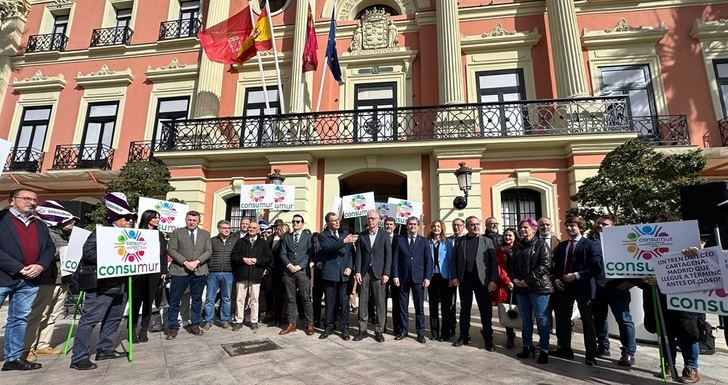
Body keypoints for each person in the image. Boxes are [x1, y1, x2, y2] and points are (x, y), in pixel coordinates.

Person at [70, 193, 134, 370]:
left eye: (132, 218)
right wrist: (115, 256)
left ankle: (105, 349)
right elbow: (89, 254)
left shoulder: (132, 236)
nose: (130, 221)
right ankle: (79, 357)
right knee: (90, 320)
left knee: (114, 318)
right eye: (126, 218)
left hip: (122, 284)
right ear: (116, 218)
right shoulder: (101, 232)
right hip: (102, 285)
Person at [641, 212, 701, 383]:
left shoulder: (689, 245)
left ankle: (691, 368)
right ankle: (668, 364)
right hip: (657, 296)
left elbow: (702, 268)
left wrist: (695, 253)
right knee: (664, 332)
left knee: (688, 331)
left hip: (683, 297)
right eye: (655, 225)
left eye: (663, 224)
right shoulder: (646, 247)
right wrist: (644, 279)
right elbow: (637, 269)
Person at [0, 189, 54, 371]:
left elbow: (49, 247)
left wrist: (40, 265)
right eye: (26, 198)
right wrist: (18, 268)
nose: (31, 202)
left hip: (30, 280)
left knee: (19, 319)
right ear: (12, 200)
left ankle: (13, 358)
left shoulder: (39, 224)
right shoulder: (2, 219)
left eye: (34, 200)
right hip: (4, 277)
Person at [24, 200, 78, 361]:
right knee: (39, 314)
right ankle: (28, 347)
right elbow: (44, 255)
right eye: (69, 220)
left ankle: (42, 345)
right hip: (48, 280)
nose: (73, 223)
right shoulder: (48, 234)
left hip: (63, 279)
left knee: (53, 314)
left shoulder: (66, 236)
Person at [551, 216, 601, 366]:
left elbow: (596, 267)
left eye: (572, 225)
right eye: (567, 226)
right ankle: (565, 348)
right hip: (564, 287)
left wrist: (576, 276)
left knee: (587, 321)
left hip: (583, 287)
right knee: (562, 319)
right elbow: (556, 267)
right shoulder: (562, 245)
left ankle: (591, 354)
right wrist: (557, 279)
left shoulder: (591, 245)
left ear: (580, 227)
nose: (569, 228)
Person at [591, 214, 637, 367]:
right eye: (599, 224)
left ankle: (628, 353)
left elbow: (637, 262)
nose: (601, 226)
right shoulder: (591, 242)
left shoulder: (624, 242)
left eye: (605, 224)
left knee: (624, 320)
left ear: (613, 227)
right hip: (597, 287)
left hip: (617, 287)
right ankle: (603, 347)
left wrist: (631, 282)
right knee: (599, 318)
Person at [508, 217, 553, 364]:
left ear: (534, 229)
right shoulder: (518, 246)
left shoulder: (541, 245)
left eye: (526, 227)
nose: (522, 230)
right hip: (521, 289)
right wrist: (514, 279)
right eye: (521, 228)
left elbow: (544, 266)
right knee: (525, 319)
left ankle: (544, 349)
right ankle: (527, 346)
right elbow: (512, 265)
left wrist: (526, 281)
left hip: (538, 288)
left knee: (541, 318)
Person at [449, 216, 497, 349]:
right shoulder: (460, 241)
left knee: (485, 311)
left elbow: (494, 262)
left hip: (483, 282)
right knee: (465, 309)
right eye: (472, 225)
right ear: (467, 227)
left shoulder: (487, 241)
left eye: (477, 224)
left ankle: (488, 339)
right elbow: (453, 260)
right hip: (465, 280)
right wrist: (454, 277)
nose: (476, 227)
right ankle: (463, 336)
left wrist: (493, 279)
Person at [166, 211, 212, 340]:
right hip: (180, 270)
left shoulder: (205, 234)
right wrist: (186, 262)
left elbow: (208, 250)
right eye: (189, 220)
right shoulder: (177, 232)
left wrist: (197, 261)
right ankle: (173, 328)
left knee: (197, 300)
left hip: (199, 270)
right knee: (175, 300)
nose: (191, 222)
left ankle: (195, 325)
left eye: (194, 220)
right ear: (186, 220)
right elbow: (171, 249)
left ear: (199, 221)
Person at [392, 216, 433, 344]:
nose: (412, 226)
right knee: (402, 307)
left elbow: (429, 261)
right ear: (406, 226)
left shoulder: (424, 241)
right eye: (410, 224)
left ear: (418, 225)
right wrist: (395, 276)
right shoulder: (400, 240)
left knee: (419, 307)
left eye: (414, 224)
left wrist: (427, 277)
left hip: (419, 279)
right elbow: (395, 260)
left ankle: (420, 333)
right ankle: (403, 331)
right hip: (403, 278)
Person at [130, 209, 168, 342]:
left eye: (158, 217)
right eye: (155, 217)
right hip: (139, 273)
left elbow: (163, 254)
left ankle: (143, 330)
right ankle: (132, 330)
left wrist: (164, 271)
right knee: (135, 302)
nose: (157, 219)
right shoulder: (136, 232)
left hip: (154, 273)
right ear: (147, 218)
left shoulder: (160, 235)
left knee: (148, 303)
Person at [354, 210, 392, 342]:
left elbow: (389, 256)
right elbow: (358, 255)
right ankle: (362, 330)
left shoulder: (384, 235)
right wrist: (357, 271)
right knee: (363, 301)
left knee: (380, 303)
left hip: (379, 273)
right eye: (369, 218)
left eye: (373, 218)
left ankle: (379, 331)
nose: (371, 221)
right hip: (364, 272)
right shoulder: (362, 235)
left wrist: (386, 273)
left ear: (378, 220)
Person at [317, 212, 355, 340]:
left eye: (338, 220)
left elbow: (350, 254)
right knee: (330, 302)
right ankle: (328, 327)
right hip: (330, 274)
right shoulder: (323, 235)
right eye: (334, 221)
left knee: (344, 303)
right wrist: (343, 241)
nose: (337, 222)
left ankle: (344, 329)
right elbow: (327, 248)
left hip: (343, 274)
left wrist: (349, 267)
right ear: (328, 223)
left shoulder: (345, 233)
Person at [231, 221, 272, 331]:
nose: (251, 229)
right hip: (242, 274)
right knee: (240, 299)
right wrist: (243, 259)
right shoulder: (240, 241)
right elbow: (233, 256)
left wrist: (257, 261)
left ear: (258, 230)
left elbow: (268, 258)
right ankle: (238, 320)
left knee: (254, 299)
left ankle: (254, 321)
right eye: (250, 227)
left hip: (255, 275)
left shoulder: (263, 243)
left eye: (254, 228)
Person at [279, 214, 315, 335]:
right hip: (289, 272)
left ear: (302, 223)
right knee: (291, 299)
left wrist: (300, 266)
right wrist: (289, 265)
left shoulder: (308, 237)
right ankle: (292, 324)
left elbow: (310, 254)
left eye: (298, 221)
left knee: (306, 298)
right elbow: (282, 253)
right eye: (293, 221)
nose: (295, 223)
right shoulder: (287, 237)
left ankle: (309, 324)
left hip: (302, 271)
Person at [204, 220, 239, 330]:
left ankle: (224, 320)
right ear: (219, 228)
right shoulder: (212, 241)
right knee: (210, 298)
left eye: (228, 228)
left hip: (228, 273)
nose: (227, 230)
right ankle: (208, 321)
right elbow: (208, 255)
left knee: (226, 298)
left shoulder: (234, 241)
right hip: (213, 273)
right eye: (224, 228)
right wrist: (210, 267)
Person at [426, 219, 455, 341]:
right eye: (434, 226)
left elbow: (451, 261)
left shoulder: (448, 242)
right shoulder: (426, 242)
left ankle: (444, 333)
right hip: (432, 277)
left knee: (445, 306)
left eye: (439, 226)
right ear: (431, 228)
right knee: (433, 305)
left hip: (444, 277)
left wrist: (451, 278)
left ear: (442, 228)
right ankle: (434, 332)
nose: (436, 228)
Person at [493, 227, 518, 349]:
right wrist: (508, 281)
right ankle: (510, 336)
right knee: (508, 310)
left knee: (522, 310)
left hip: (520, 284)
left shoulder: (520, 248)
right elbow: (499, 268)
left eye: (510, 236)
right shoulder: (499, 251)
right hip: (505, 285)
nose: (507, 238)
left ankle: (526, 336)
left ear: (515, 237)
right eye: (506, 235)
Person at [265, 223, 289, 326]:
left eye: (279, 229)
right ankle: (277, 317)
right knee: (277, 296)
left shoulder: (286, 241)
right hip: (276, 272)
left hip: (285, 271)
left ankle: (283, 317)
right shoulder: (274, 240)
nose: (277, 230)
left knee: (286, 296)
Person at [383, 216, 399, 334]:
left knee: (397, 301)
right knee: (381, 301)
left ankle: (397, 328)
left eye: (391, 224)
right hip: (383, 273)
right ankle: (381, 326)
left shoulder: (400, 238)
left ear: (395, 226)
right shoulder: (380, 237)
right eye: (387, 224)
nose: (388, 226)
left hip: (396, 274)